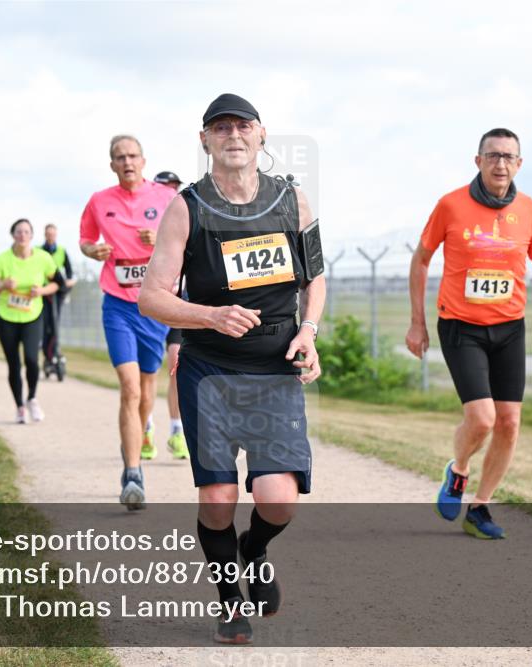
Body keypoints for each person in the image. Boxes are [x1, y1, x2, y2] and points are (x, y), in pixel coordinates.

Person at [139, 93, 325, 644]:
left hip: (273, 369)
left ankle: (255, 550)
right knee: (219, 498)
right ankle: (228, 602)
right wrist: (210, 315)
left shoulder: (294, 202)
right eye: (220, 128)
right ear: (205, 141)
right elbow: (152, 297)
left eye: (242, 126)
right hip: (210, 370)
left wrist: (309, 332)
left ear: (262, 135)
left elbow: (314, 278)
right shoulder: (186, 207)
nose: (232, 135)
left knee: (277, 498)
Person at [405, 128, 532, 540]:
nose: (500, 163)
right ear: (478, 160)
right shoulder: (451, 205)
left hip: (509, 329)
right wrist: (417, 322)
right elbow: (421, 261)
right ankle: (459, 470)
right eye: (492, 155)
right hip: (461, 326)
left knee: (509, 423)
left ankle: (480, 508)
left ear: (519, 164)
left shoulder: (531, 211)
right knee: (482, 419)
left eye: (508, 156)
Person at [80, 133, 176, 508]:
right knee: (130, 388)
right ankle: (133, 473)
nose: (127, 162)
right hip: (118, 304)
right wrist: (93, 250)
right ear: (112, 164)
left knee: (148, 390)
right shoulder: (99, 201)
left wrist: (161, 239)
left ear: (144, 160)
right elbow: (86, 239)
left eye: (133, 155)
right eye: (120, 157)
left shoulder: (166, 198)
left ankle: (134, 446)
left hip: (154, 304)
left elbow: (187, 241)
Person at [0, 219, 59, 423]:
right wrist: (3, 285)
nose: (22, 235)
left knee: (32, 359)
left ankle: (32, 398)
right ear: (13, 235)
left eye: (26, 232)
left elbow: (56, 284)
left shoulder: (43, 258)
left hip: (32, 316)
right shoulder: (2, 260)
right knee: (14, 364)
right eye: (18, 232)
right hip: (6, 318)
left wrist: (41, 291)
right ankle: (19, 406)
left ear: (32, 235)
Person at [154, 169, 189, 459]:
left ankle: (176, 430)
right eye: (165, 186)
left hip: (176, 303)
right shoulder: (142, 219)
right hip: (147, 306)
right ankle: (145, 425)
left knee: (175, 364)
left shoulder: (184, 217)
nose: (170, 191)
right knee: (145, 371)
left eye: (174, 187)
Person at [41, 223, 76, 378]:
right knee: (47, 325)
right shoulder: (38, 251)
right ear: (45, 235)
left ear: (56, 235)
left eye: (53, 234)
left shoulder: (62, 251)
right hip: (43, 292)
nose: (51, 237)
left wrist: (68, 283)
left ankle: (54, 353)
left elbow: (69, 273)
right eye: (48, 234)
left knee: (55, 323)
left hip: (58, 292)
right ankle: (49, 356)